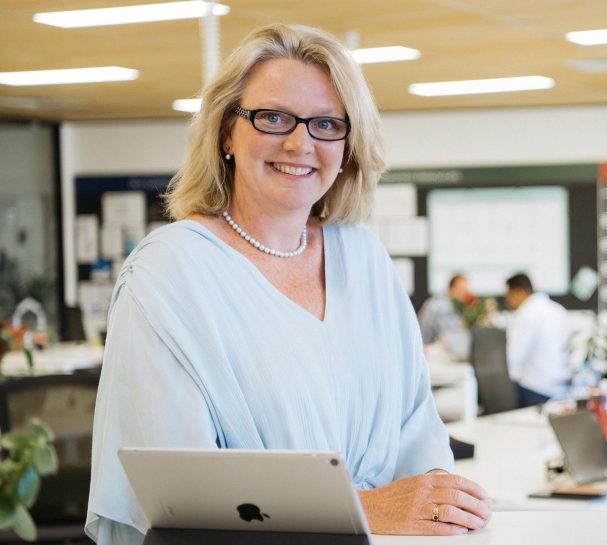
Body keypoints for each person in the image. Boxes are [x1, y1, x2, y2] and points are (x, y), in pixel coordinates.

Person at [85, 24, 490, 544]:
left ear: (348, 145)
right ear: (226, 133)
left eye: (326, 123)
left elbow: (418, 424)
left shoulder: (363, 257)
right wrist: (365, 509)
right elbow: (178, 496)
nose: (300, 143)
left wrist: (436, 494)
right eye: (273, 117)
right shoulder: (168, 273)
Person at [504, 273, 571, 406]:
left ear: (518, 292)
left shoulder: (526, 314)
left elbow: (512, 358)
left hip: (535, 390)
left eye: (509, 295)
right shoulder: (558, 310)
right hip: (562, 389)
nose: (507, 301)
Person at [417, 274, 471, 346]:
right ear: (451, 288)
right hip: (426, 349)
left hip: (433, 348)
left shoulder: (452, 304)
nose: (465, 293)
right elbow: (448, 333)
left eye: (466, 290)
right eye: (462, 289)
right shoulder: (439, 304)